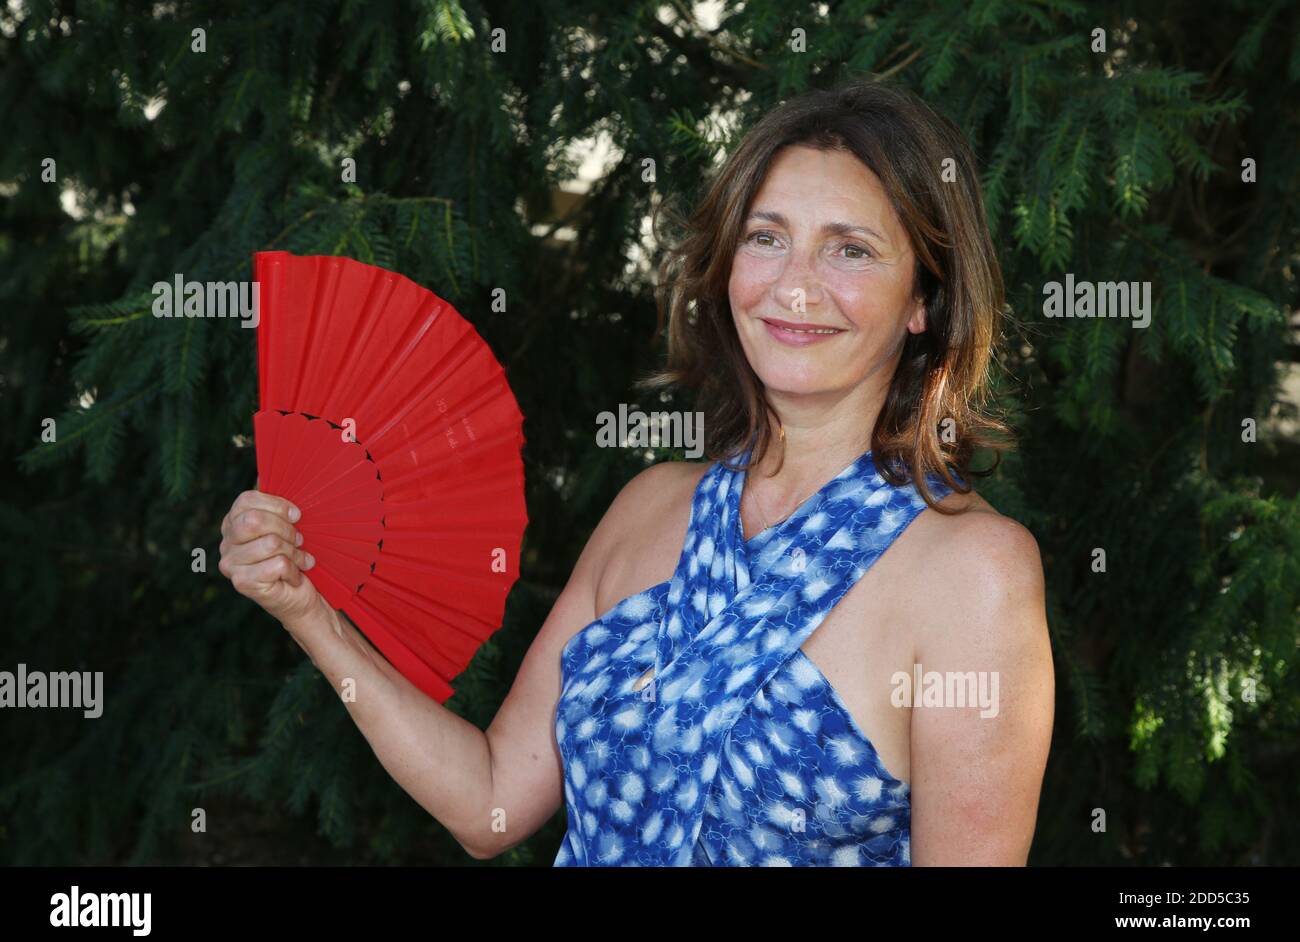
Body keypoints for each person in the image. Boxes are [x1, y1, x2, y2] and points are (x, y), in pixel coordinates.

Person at [218, 78, 1053, 866]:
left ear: (923, 302)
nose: (796, 286)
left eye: (851, 250)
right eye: (767, 238)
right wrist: (308, 613)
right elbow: (490, 803)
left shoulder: (973, 572)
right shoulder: (650, 507)